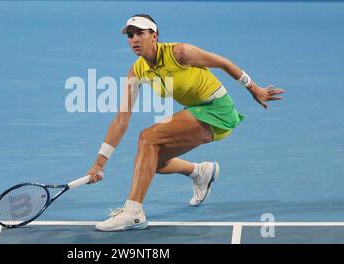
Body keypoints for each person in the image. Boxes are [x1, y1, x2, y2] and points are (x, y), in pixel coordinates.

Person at [86, 14, 284, 231]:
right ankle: (200, 172)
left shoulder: (179, 52)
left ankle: (133, 213)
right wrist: (100, 162)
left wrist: (254, 88)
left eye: (141, 33)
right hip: (195, 111)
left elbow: (223, 63)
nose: (135, 39)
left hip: (217, 109)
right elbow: (121, 118)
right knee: (151, 162)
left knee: (147, 137)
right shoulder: (138, 70)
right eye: (131, 35)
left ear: (155, 36)